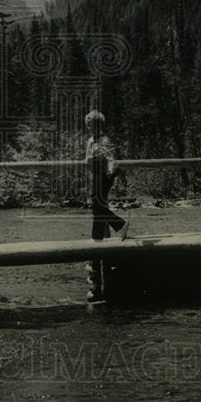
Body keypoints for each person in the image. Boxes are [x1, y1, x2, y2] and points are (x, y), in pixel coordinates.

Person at [85, 110, 127, 302]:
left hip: (103, 176)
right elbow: (87, 160)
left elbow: (111, 158)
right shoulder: (90, 141)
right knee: (96, 207)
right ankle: (98, 238)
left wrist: (110, 171)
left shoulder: (104, 140)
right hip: (94, 175)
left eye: (94, 123)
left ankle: (119, 225)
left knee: (96, 205)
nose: (91, 127)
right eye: (89, 124)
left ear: (99, 125)